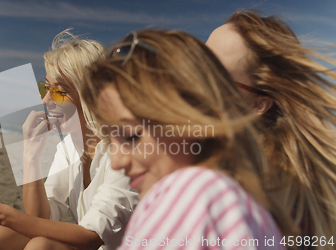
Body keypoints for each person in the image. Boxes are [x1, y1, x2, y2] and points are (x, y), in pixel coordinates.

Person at [81, 29, 296, 249]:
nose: (117, 162)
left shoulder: (196, 193)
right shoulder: (223, 197)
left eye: (132, 136)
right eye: (111, 138)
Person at [0, 30, 138, 250]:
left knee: (39, 245)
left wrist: (2, 214)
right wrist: (30, 157)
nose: (46, 100)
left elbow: (91, 236)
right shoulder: (69, 148)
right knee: (8, 231)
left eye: (59, 91)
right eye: (45, 88)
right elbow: (40, 218)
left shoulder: (129, 150)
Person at [206, 10, 336, 242]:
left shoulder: (244, 188)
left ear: (259, 104)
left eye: (214, 74)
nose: (191, 76)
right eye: (198, 59)